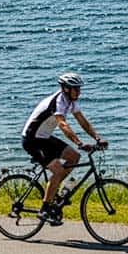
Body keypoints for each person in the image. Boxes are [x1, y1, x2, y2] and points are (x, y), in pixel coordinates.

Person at [21, 72, 107, 225]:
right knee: (58, 171)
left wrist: (97, 138)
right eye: (76, 89)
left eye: (79, 88)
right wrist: (79, 143)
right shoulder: (58, 102)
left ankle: (56, 195)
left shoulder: (71, 102)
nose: (79, 92)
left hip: (44, 138)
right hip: (32, 140)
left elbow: (83, 122)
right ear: (66, 89)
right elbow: (62, 124)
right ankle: (44, 209)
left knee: (74, 157)